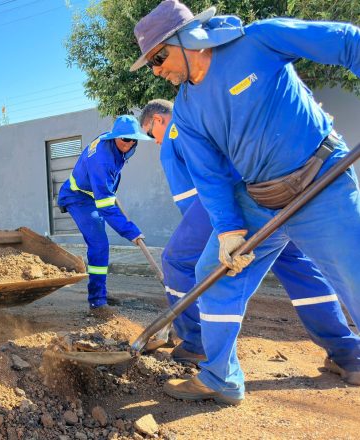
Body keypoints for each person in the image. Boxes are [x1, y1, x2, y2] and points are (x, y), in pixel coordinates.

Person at [131, 0, 360, 405]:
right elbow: (212, 178)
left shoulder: (258, 40)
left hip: (322, 180)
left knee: (355, 275)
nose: (156, 70)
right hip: (262, 198)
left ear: (188, 38)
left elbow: (347, 42)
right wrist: (230, 232)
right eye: (150, 63)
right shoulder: (186, 111)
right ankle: (221, 376)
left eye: (159, 56)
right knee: (214, 272)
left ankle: (352, 359)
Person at [140, 98, 360, 378]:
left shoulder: (176, 130)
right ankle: (348, 354)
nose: (155, 142)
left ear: (159, 119)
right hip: (276, 196)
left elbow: (192, 199)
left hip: (238, 205)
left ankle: (196, 343)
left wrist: (221, 231)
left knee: (177, 259)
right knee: (302, 272)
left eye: (150, 134)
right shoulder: (215, 114)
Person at [58, 115, 152, 319]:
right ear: (115, 137)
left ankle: (100, 293)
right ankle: (97, 302)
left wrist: (108, 191)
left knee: (101, 244)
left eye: (133, 139)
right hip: (78, 197)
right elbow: (107, 207)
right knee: (99, 244)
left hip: (93, 193)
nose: (129, 144)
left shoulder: (113, 145)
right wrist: (131, 232)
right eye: (125, 139)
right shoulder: (102, 159)